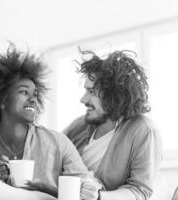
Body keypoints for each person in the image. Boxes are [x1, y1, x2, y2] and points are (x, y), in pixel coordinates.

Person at [0, 44, 101, 199]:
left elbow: (89, 191)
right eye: (24, 92)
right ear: (0, 98)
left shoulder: (57, 143)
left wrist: (49, 190)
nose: (33, 99)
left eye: (35, 94)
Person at [63, 49, 163, 200]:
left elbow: (139, 190)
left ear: (115, 95)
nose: (83, 100)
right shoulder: (79, 125)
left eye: (91, 91)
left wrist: (98, 197)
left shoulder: (144, 130)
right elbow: (53, 153)